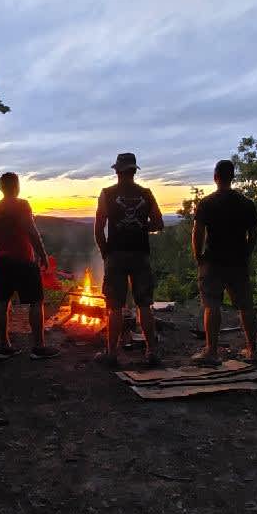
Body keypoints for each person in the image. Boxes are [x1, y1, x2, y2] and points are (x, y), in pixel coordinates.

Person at [95, 152, 164, 366]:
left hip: (116, 255)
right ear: (134, 171)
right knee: (144, 304)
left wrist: (106, 253)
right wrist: (142, 227)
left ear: (117, 171)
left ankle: (112, 353)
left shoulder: (107, 193)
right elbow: (159, 223)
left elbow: (99, 228)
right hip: (140, 254)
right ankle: (151, 352)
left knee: (114, 306)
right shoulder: (146, 193)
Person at [0, 172, 59, 361]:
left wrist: (3, 235)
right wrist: (42, 254)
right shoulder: (21, 205)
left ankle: (5, 345)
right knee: (35, 301)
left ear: (1, 188)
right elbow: (32, 231)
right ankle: (38, 347)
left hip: (2, 260)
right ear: (16, 186)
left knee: (2, 301)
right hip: (23, 260)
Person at [191, 159, 257, 363]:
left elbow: (198, 232)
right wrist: (246, 252)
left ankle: (211, 351)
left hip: (213, 261)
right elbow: (254, 233)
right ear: (232, 177)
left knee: (212, 305)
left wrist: (198, 256)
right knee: (245, 306)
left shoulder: (207, 203)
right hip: (237, 261)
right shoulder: (246, 203)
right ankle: (252, 350)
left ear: (215, 177)